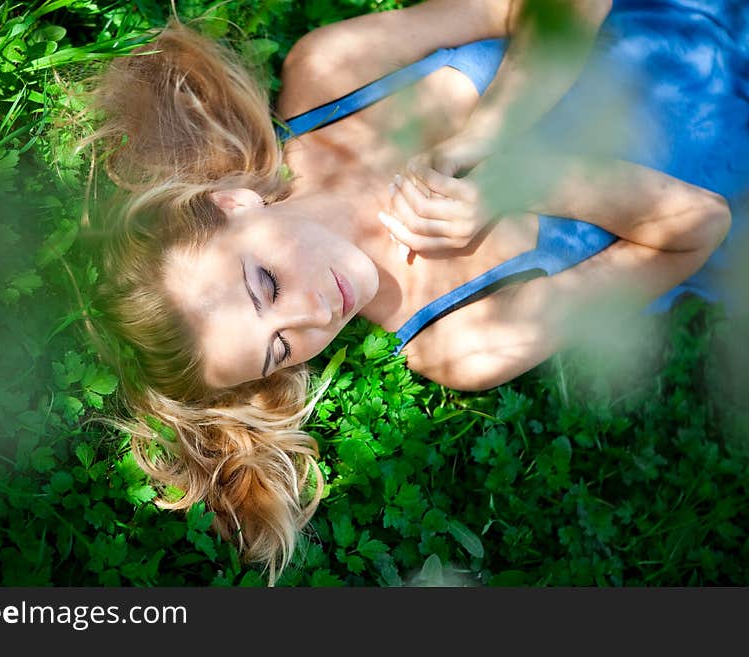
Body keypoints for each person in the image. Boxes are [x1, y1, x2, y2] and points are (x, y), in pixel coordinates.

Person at [81, 0, 747, 581]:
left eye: (266, 282)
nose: (314, 314)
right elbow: (700, 227)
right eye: (281, 346)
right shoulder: (458, 342)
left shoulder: (330, 75)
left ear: (232, 202)